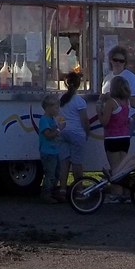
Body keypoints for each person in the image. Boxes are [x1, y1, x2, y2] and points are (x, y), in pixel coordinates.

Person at [98, 75, 132, 202]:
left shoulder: (111, 103)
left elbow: (104, 122)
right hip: (125, 137)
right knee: (124, 167)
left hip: (112, 138)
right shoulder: (126, 102)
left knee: (115, 168)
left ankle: (116, 194)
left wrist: (99, 109)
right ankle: (126, 193)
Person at [56, 71, 89, 199]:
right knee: (77, 163)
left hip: (63, 132)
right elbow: (84, 120)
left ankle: (63, 189)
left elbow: (59, 118)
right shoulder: (79, 101)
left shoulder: (61, 100)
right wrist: (87, 132)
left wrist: (63, 127)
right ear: (78, 85)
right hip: (76, 134)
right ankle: (79, 190)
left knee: (64, 163)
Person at [101, 45, 135, 127]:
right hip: (110, 120)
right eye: (115, 60)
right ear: (111, 60)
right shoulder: (107, 78)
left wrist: (132, 118)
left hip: (126, 119)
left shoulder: (131, 77)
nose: (118, 63)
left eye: (121, 61)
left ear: (125, 62)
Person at [38, 94, 62, 204]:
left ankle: (53, 192)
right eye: (56, 107)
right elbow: (47, 134)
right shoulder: (44, 120)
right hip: (48, 152)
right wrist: (58, 130)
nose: (58, 110)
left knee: (57, 173)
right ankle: (46, 193)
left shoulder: (52, 119)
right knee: (50, 174)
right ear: (48, 108)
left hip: (55, 151)